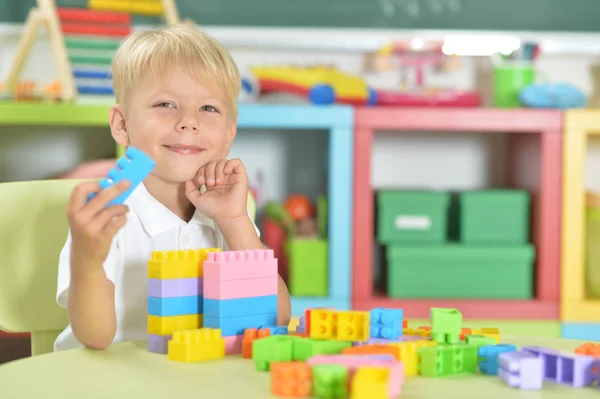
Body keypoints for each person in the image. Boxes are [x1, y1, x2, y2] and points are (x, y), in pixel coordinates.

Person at [54, 25, 291, 351]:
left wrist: (235, 222)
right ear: (122, 125)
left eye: (208, 109)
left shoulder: (228, 215)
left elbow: (274, 318)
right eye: (166, 104)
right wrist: (87, 260)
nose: (188, 121)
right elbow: (95, 337)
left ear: (228, 136)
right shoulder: (104, 217)